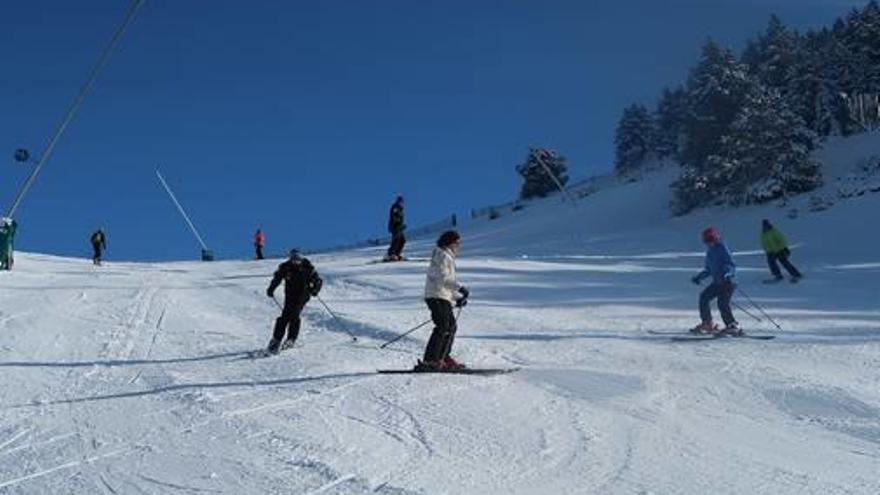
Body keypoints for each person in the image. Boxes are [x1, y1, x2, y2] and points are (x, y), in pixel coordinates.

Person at [416, 230, 469, 371]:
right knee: (443, 326)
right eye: (456, 242)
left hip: (442, 296)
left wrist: (457, 297)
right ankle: (431, 360)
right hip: (436, 296)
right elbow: (443, 278)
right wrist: (460, 288)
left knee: (451, 327)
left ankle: (443, 357)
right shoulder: (442, 255)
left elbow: (444, 283)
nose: (458, 245)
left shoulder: (447, 256)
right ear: (449, 242)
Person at [265, 249, 323, 354]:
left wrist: (315, 290)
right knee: (284, 317)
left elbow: (318, 280)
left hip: (303, 295)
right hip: (290, 295)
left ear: (301, 259)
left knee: (294, 315)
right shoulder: (285, 267)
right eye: (293, 259)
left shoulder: (307, 267)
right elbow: (277, 278)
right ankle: (276, 339)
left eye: (298, 260)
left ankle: (291, 339)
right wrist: (271, 289)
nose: (295, 262)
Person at [690, 226, 739, 335]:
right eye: (706, 240)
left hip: (728, 281)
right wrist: (699, 277)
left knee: (722, 303)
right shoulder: (710, 252)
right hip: (718, 282)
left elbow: (731, 264)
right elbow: (708, 270)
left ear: (716, 238)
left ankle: (732, 325)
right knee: (704, 297)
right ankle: (708, 323)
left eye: (711, 239)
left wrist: (728, 273)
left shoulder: (722, 248)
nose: (709, 242)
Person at [385, 195, 406, 261]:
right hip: (395, 227)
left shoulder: (400, 209)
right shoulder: (395, 207)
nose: (401, 203)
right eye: (400, 201)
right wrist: (398, 223)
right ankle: (390, 254)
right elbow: (394, 217)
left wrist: (402, 225)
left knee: (402, 240)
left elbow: (399, 218)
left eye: (402, 201)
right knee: (396, 240)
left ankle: (396, 254)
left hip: (399, 228)